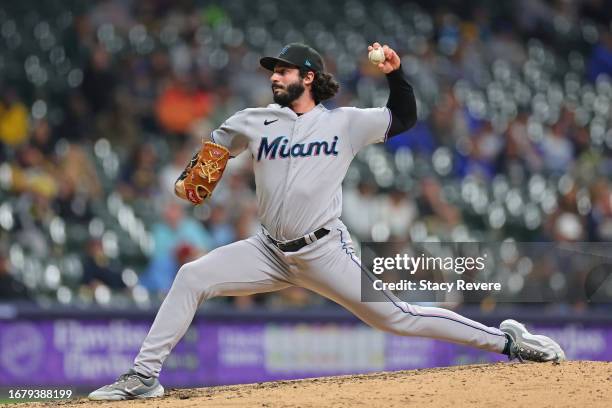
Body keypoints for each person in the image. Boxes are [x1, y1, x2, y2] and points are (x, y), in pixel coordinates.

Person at [89, 42, 565, 400]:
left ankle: (508, 341)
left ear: (309, 77)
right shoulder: (251, 121)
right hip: (268, 250)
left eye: (284, 69)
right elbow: (206, 165)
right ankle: (143, 377)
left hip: (324, 250)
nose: (275, 76)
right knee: (192, 276)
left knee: (397, 319)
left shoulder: (345, 123)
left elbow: (405, 117)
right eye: (273, 70)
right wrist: (199, 171)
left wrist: (397, 75)